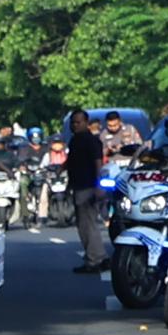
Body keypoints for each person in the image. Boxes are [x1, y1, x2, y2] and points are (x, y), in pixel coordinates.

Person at [62, 109, 108, 270]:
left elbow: (98, 163)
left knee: (87, 224)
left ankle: (95, 259)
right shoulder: (75, 141)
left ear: (86, 123)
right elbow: (71, 163)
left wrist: (99, 185)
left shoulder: (91, 141)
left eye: (78, 122)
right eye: (73, 122)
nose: (75, 125)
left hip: (88, 186)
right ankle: (97, 256)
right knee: (84, 224)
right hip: (78, 185)